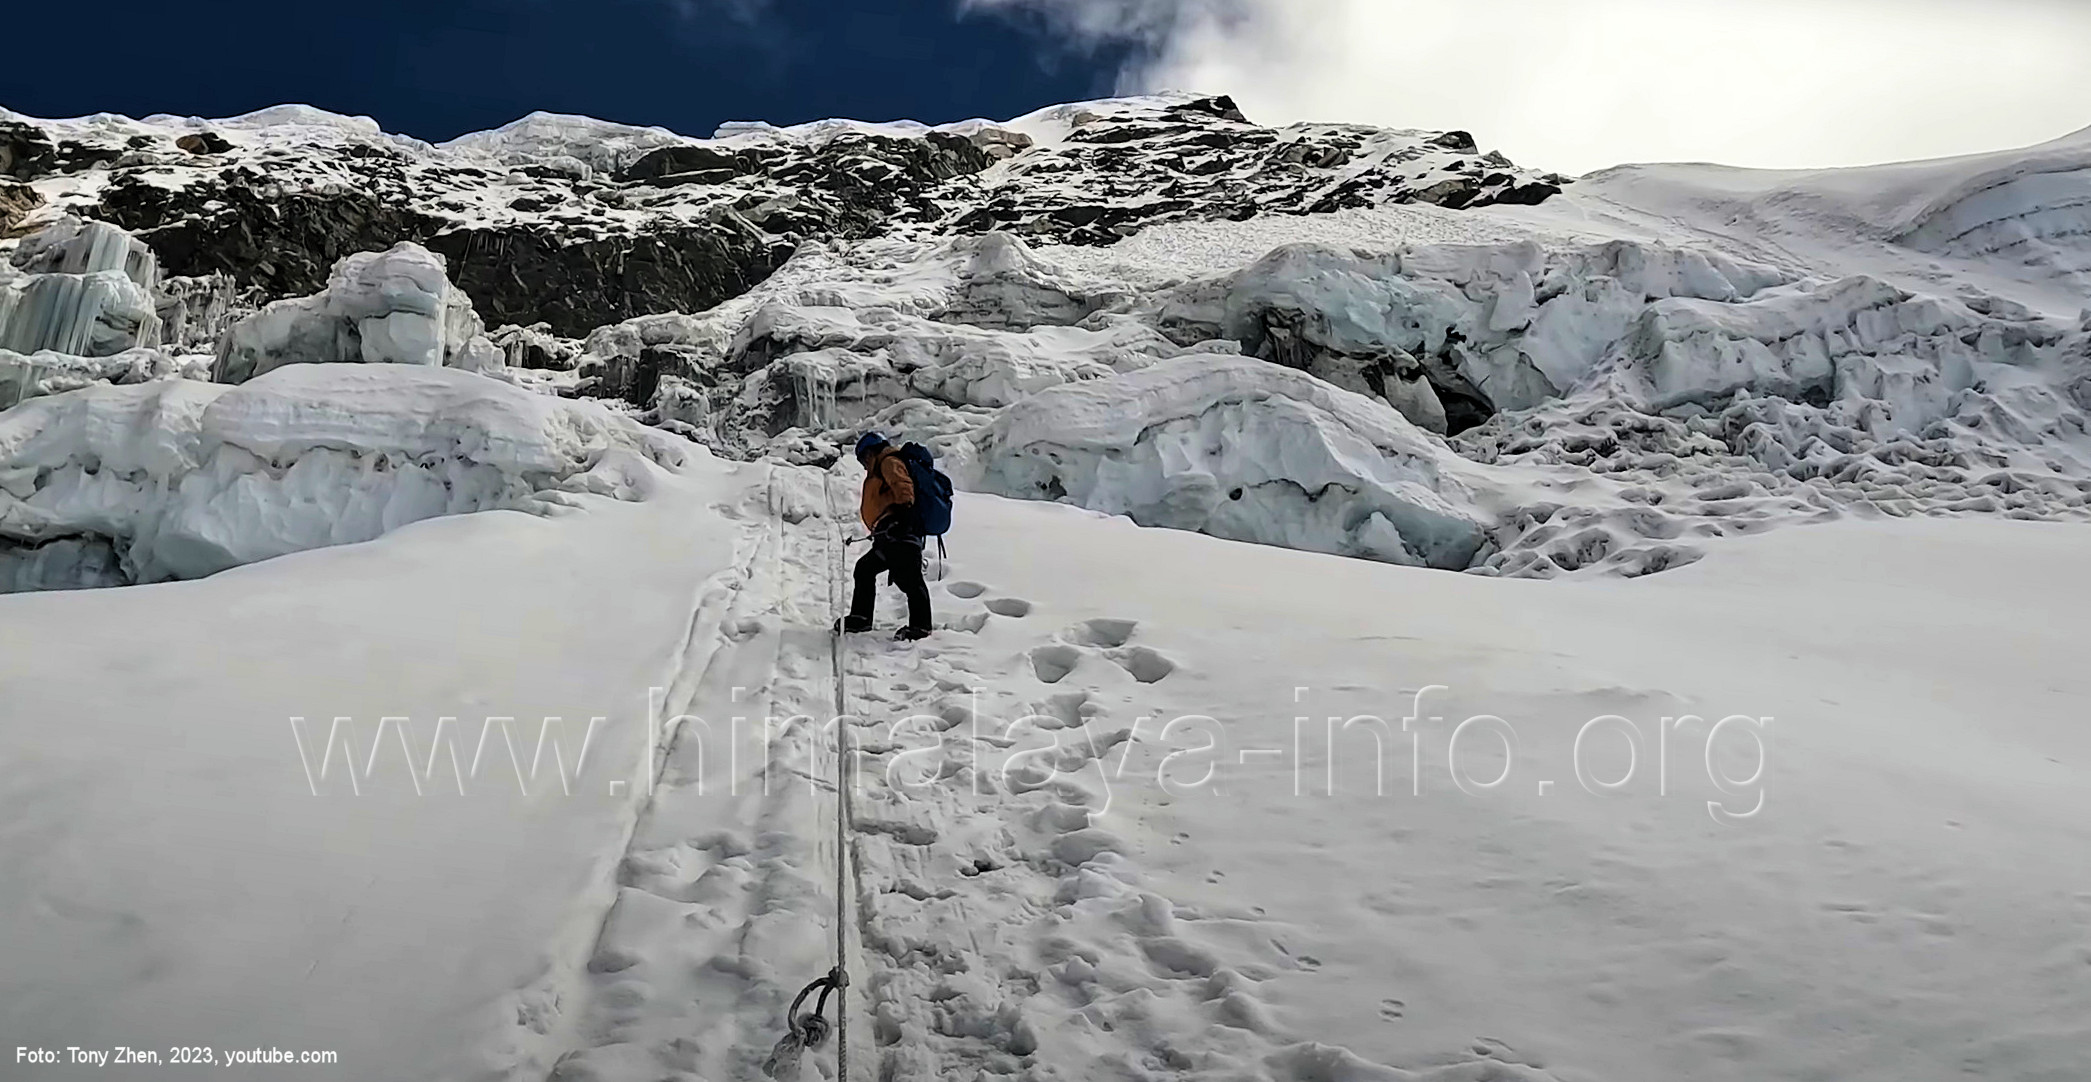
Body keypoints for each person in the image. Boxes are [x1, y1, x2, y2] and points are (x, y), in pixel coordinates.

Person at [841, 432, 931, 641]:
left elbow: (903, 486)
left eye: (864, 458)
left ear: (871, 452)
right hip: (889, 533)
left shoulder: (889, 462)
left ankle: (921, 626)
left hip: (900, 530)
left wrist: (902, 515)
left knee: (909, 577)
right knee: (865, 569)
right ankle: (861, 618)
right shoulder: (882, 465)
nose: (864, 464)